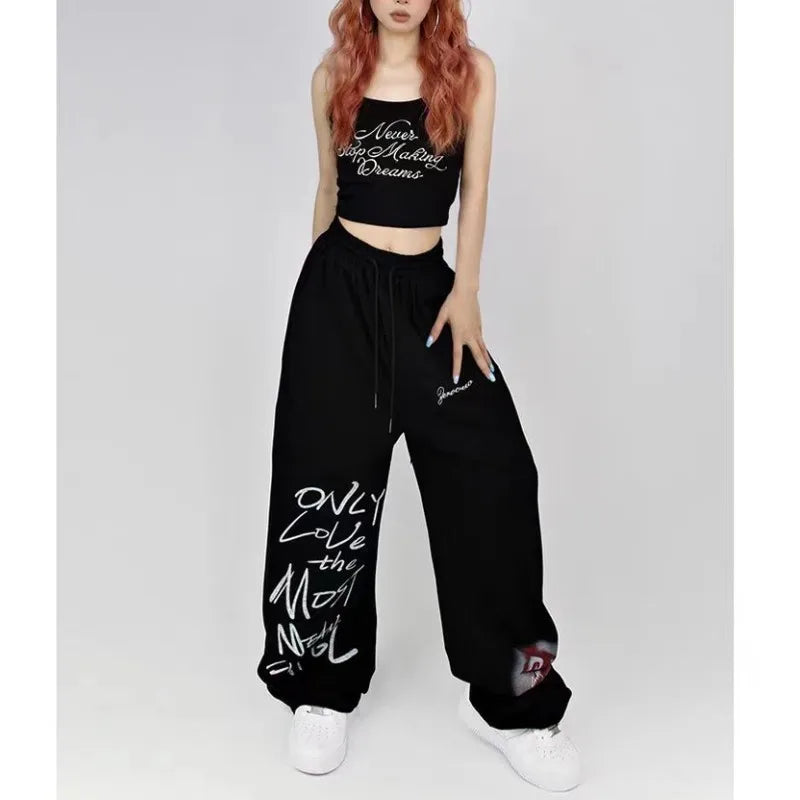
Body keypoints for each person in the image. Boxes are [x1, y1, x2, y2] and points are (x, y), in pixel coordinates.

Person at [256, 0, 581, 791]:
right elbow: (328, 190)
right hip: (337, 297)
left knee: (499, 478)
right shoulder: (333, 75)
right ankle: (320, 688)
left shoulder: (471, 75)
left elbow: (476, 192)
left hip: (432, 299)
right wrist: (320, 321)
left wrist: (466, 293)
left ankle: (512, 701)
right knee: (326, 489)